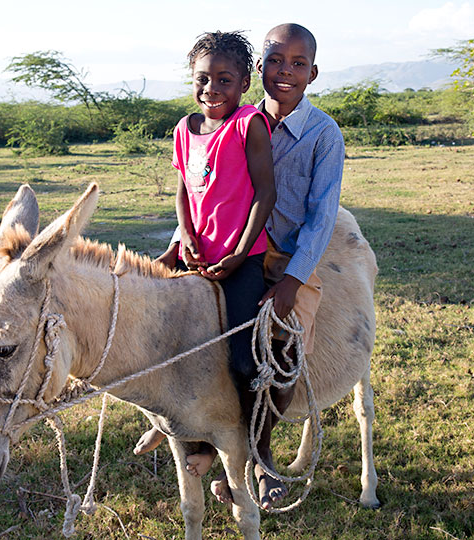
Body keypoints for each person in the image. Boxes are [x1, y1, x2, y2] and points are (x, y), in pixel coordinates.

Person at [138, 23, 345, 510]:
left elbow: (321, 215)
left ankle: (261, 454)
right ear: (260, 69)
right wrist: (178, 239)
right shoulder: (232, 119)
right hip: (220, 251)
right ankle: (192, 433)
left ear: (312, 73)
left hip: (285, 259)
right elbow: (204, 189)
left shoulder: (321, 135)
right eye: (276, 61)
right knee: (178, 334)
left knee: (278, 349)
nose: (285, 72)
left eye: (297, 64)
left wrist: (293, 280)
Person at [134, 30, 278, 484]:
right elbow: (183, 190)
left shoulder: (248, 124)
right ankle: (178, 428)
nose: (211, 89)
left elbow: (265, 194)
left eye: (224, 79)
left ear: (243, 86)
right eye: (202, 79)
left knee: (241, 356)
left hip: (242, 258)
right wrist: (187, 237)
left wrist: (238, 254)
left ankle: (260, 449)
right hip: (194, 252)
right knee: (153, 328)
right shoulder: (184, 129)